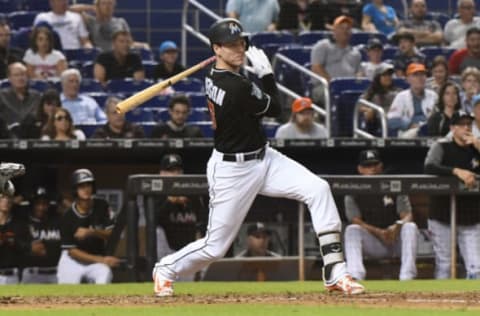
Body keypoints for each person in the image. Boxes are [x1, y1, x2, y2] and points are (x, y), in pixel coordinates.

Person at [152, 18, 365, 297]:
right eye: (231, 45)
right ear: (216, 49)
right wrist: (266, 74)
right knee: (215, 247)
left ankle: (336, 272)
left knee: (318, 189)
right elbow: (276, 108)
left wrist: (241, 66)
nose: (240, 49)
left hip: (264, 158)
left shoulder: (216, 76)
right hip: (232, 170)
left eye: (241, 43)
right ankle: (166, 268)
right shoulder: (233, 86)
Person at [344, 149, 418, 281]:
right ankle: (355, 275)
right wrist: (378, 232)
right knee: (352, 230)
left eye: (374, 165)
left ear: (381, 166)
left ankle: (407, 277)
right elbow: (356, 220)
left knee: (410, 227)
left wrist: (397, 226)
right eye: (367, 166)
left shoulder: (394, 185)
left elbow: (407, 215)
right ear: (360, 169)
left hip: (395, 239)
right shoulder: (353, 190)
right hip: (374, 242)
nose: (372, 169)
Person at [424, 110, 480, 279]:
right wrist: (456, 171)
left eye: (469, 124)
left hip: (471, 215)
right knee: (445, 265)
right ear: (453, 128)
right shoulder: (442, 146)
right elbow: (429, 167)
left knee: (476, 267)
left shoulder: (476, 149)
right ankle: (441, 304)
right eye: (462, 125)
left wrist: (478, 146)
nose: (466, 128)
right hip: (442, 212)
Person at [57, 168, 121, 284]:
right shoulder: (67, 216)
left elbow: (113, 234)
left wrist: (91, 232)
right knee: (66, 294)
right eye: (81, 186)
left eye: (88, 185)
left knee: (105, 274)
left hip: (96, 259)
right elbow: (72, 251)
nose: (85, 189)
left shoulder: (102, 206)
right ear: (75, 190)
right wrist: (102, 260)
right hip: (72, 261)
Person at [155, 154, 207, 256]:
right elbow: (153, 221)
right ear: (162, 173)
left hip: (189, 249)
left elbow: (202, 220)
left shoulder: (192, 194)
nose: (175, 174)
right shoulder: (157, 195)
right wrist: (170, 202)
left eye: (178, 170)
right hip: (167, 251)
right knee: (157, 232)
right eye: (170, 170)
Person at [71, 0, 150, 52]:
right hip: (100, 56)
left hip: (120, 55)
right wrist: (92, 8)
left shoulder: (120, 21)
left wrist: (143, 46)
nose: (107, 6)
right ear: (98, 6)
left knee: (145, 47)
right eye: (104, 3)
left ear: (114, 5)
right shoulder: (91, 21)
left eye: (110, 3)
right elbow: (71, 9)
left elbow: (130, 43)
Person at [21, 187, 61, 284]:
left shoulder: (57, 222)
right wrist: (29, 248)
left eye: (44, 204)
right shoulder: (23, 224)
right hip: (32, 273)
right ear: (32, 205)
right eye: (38, 204)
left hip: (55, 273)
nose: (41, 207)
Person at [387, 63, 437, 137]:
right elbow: (391, 120)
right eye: (415, 75)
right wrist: (410, 125)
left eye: (422, 74)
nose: (420, 78)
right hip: (408, 133)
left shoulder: (433, 96)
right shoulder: (401, 96)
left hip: (430, 132)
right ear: (408, 79)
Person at [311, 15, 361, 83]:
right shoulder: (323, 46)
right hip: (325, 87)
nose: (345, 31)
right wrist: (333, 84)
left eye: (348, 28)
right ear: (334, 30)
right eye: (341, 28)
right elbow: (316, 68)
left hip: (349, 87)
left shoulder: (356, 52)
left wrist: (359, 81)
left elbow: (358, 72)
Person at [358, 63, 401, 135]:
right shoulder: (371, 92)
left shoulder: (399, 91)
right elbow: (359, 105)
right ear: (378, 77)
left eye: (389, 75)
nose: (388, 77)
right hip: (381, 122)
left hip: (399, 119)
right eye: (384, 75)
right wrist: (368, 110)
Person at [0, 193, 32, 284]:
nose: (6, 201)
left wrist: (15, 242)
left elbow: (28, 249)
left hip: (12, 275)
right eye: (2, 197)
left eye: (8, 198)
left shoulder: (19, 224)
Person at [0, 62, 41, 132]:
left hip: (31, 135)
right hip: (7, 136)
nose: (20, 78)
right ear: (9, 78)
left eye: (23, 74)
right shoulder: (1, 96)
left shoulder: (37, 96)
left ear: (27, 77)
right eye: (16, 75)